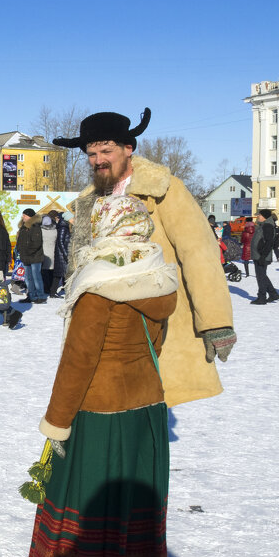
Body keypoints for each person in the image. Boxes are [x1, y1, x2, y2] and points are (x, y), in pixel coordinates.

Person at [28, 193, 179, 557]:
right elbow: (158, 344)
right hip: (145, 407)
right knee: (125, 505)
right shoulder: (159, 276)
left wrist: (56, 422)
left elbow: (78, 363)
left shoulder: (98, 285)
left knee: (83, 501)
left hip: (97, 409)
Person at [53, 108, 235, 406]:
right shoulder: (89, 200)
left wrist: (216, 323)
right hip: (101, 327)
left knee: (145, 406)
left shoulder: (165, 190)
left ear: (128, 148)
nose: (98, 159)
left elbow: (199, 255)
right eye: (91, 153)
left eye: (106, 150)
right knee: (100, 406)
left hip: (152, 323)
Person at [250, 209, 279, 305]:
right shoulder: (263, 225)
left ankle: (262, 297)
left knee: (261, 277)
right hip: (259, 255)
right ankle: (273, 294)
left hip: (261, 256)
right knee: (262, 276)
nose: (258, 216)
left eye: (259, 215)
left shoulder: (267, 226)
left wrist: (263, 256)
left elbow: (269, 242)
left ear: (264, 216)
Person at [16, 208, 45, 303]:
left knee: (36, 277)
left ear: (30, 216)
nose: (23, 217)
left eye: (24, 215)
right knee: (28, 278)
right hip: (25, 256)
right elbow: (19, 241)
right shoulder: (23, 228)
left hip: (35, 257)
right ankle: (31, 295)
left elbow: (36, 243)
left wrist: (26, 252)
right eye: (23, 215)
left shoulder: (35, 227)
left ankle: (40, 296)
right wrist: (20, 251)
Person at [50, 211, 71, 296]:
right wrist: (65, 254)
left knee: (61, 274)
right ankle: (53, 292)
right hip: (62, 255)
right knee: (60, 275)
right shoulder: (63, 227)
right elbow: (61, 241)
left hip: (61, 254)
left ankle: (54, 292)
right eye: (72, 218)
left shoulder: (63, 226)